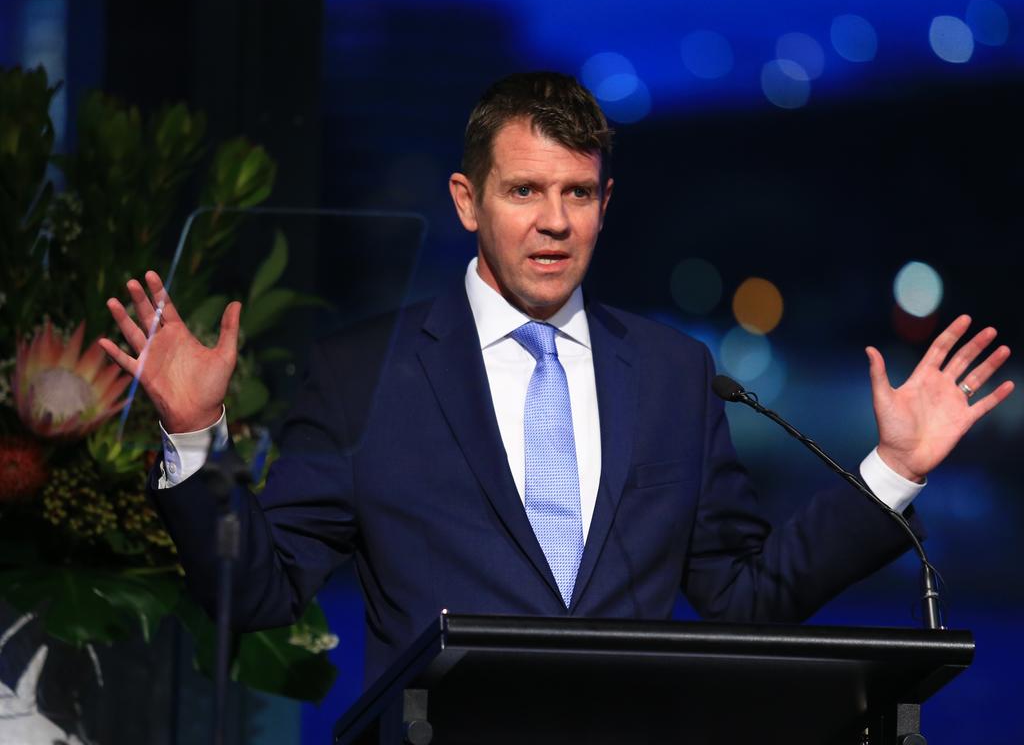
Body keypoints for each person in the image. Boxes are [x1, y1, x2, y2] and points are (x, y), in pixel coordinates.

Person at [99, 72, 1014, 686]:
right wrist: (192, 438)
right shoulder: (360, 372)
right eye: (524, 191)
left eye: (577, 194)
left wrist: (892, 469)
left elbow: (747, 598)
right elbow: (259, 592)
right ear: (467, 201)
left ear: (605, 205)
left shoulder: (672, 374)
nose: (553, 223)